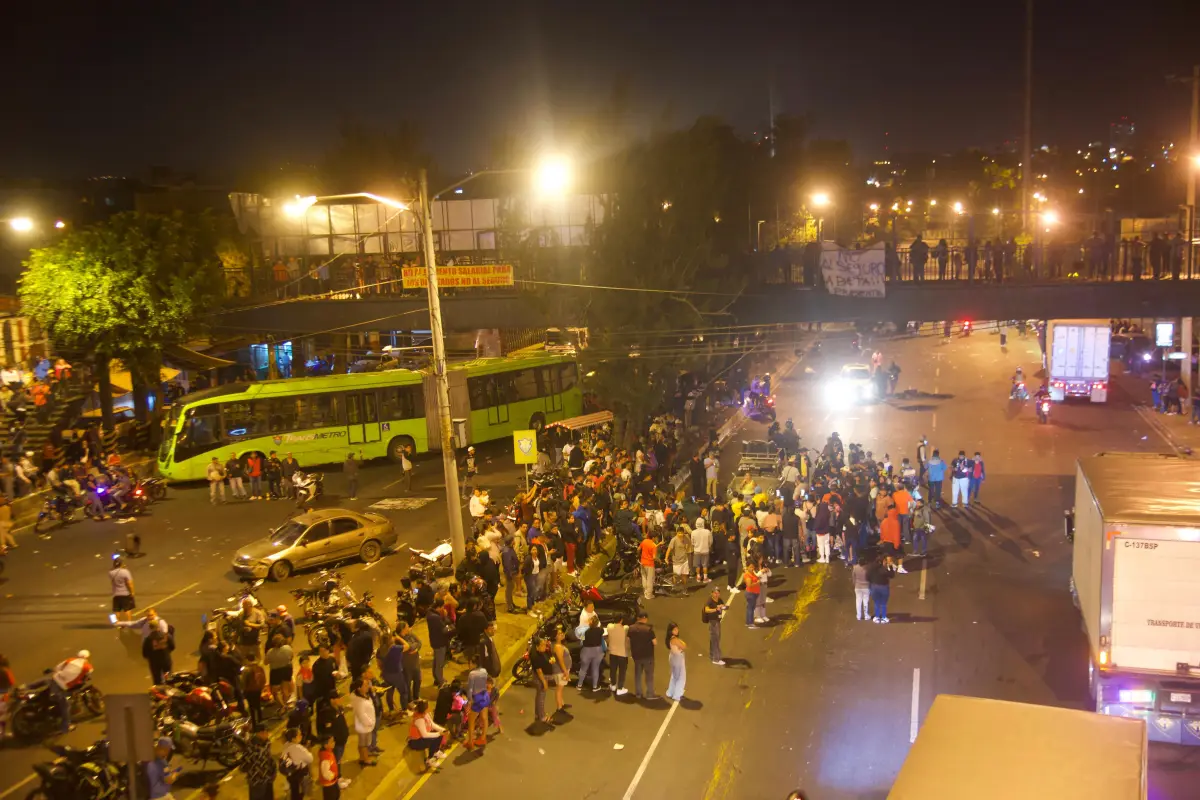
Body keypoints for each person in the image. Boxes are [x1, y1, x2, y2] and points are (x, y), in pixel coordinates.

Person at [51, 650, 92, 733]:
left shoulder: (70, 660)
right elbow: (88, 675)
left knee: (45, 681)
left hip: (54, 680)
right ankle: (65, 727)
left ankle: (27, 687)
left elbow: (57, 668)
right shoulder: (87, 666)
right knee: (66, 706)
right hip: (63, 686)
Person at [407, 699, 447, 770]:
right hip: (415, 742)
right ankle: (430, 759)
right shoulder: (419, 719)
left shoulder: (426, 714)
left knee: (439, 735)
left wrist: (443, 730)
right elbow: (424, 735)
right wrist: (438, 733)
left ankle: (436, 751)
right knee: (434, 739)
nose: (429, 707)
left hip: (421, 738)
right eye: (428, 706)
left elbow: (432, 725)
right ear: (424, 708)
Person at [628, 611, 659, 700]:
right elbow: (655, 642)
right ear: (645, 619)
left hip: (636, 656)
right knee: (649, 675)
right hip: (648, 656)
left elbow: (628, 639)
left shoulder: (631, 628)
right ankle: (650, 694)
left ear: (638, 618)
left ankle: (638, 694)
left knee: (638, 675)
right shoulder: (649, 629)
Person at [242, 723, 277, 800]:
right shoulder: (250, 746)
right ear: (260, 733)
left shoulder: (267, 743)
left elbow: (269, 758)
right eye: (266, 732)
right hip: (257, 781)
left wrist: (273, 771)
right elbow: (244, 765)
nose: (268, 734)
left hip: (268, 779)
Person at [350, 678, 377, 767]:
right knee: (364, 744)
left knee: (363, 743)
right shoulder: (359, 701)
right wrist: (370, 722)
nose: (367, 686)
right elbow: (361, 715)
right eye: (365, 685)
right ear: (359, 688)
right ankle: (366, 759)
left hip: (367, 725)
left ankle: (362, 757)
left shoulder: (364, 695)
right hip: (364, 726)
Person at [280, 727, 314, 800]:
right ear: (293, 739)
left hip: (291, 774)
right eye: (299, 735)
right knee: (303, 793)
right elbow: (310, 759)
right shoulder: (298, 748)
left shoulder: (286, 746)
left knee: (294, 792)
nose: (301, 736)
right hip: (299, 774)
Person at [464, 656, 490, 749]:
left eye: (470, 663)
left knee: (471, 722)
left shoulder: (472, 674)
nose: (469, 665)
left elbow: (470, 689)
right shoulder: (484, 671)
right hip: (485, 696)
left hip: (477, 698)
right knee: (484, 718)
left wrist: (469, 700)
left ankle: (470, 742)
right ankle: (483, 738)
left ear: (474, 663)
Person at [265, 634, 295, 711]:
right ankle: (285, 703)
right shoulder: (288, 648)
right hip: (287, 669)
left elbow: (265, 662)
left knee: (274, 691)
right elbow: (292, 657)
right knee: (285, 688)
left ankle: (282, 705)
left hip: (276, 672)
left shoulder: (270, 652)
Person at [576, 615, 605, 692]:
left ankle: (579, 685)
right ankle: (595, 687)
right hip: (597, 651)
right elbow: (602, 632)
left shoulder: (586, 632)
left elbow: (582, 642)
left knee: (583, 669)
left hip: (586, 651)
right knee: (595, 668)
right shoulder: (600, 630)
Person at [868, 553, 896, 623]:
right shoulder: (884, 570)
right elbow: (892, 575)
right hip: (883, 588)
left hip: (874, 587)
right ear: (883, 561)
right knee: (883, 603)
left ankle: (877, 617)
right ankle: (883, 617)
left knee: (876, 602)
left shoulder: (872, 568)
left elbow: (868, 577)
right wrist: (891, 567)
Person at [427, 599, 448, 687]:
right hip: (439, 642)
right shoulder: (435, 617)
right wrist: (444, 616)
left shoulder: (430, 614)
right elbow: (443, 629)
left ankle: (437, 678)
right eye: (442, 607)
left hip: (435, 641)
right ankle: (441, 681)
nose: (443, 609)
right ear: (438, 607)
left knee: (436, 661)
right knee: (439, 663)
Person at [241, 653, 268, 725]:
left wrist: (243, 690)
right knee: (258, 705)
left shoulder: (246, 669)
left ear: (247, 660)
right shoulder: (259, 667)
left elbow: (244, 682)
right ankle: (260, 719)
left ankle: (254, 723)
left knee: (251, 707)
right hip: (258, 689)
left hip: (249, 690)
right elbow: (264, 679)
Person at [606, 615, 630, 694]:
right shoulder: (625, 628)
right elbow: (627, 626)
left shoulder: (609, 627)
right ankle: (620, 688)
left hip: (612, 652)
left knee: (613, 669)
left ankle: (613, 685)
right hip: (622, 653)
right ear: (621, 621)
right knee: (622, 671)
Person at [550, 627, 572, 714]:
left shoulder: (559, 645)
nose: (562, 634)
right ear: (555, 637)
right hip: (560, 671)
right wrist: (565, 672)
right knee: (559, 689)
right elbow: (560, 660)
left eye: (562, 633)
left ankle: (561, 703)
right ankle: (559, 708)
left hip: (561, 670)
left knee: (560, 688)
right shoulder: (558, 647)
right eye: (559, 634)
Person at [703, 588, 726, 665]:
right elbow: (706, 610)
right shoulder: (710, 600)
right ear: (712, 593)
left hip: (717, 621)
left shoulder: (719, 599)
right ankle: (716, 659)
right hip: (713, 622)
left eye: (718, 593)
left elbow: (723, 605)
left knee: (714, 639)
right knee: (715, 640)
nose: (716, 595)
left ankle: (712, 655)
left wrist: (723, 606)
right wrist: (716, 609)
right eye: (715, 593)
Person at [665, 622, 687, 702]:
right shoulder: (675, 639)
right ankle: (677, 695)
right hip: (678, 658)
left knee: (674, 676)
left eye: (677, 628)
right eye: (675, 629)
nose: (677, 630)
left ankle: (670, 692)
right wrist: (681, 643)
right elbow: (684, 646)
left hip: (672, 657)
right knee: (681, 677)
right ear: (671, 631)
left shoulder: (670, 638)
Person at [109, 556, 136, 622]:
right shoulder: (125, 572)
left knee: (116, 610)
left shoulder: (111, 573)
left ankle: (117, 622)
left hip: (116, 594)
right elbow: (130, 583)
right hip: (125, 593)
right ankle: (129, 621)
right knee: (127, 609)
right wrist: (132, 592)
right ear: (121, 564)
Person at [691, 518, 713, 583]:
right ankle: (705, 578)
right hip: (705, 550)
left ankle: (698, 577)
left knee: (697, 565)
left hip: (697, 551)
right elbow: (711, 541)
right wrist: (708, 546)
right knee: (705, 565)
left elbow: (692, 542)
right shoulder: (707, 532)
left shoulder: (693, 532)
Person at [639, 528, 658, 601]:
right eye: (656, 537)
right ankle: (649, 595)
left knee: (644, 577)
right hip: (650, 564)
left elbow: (638, 549)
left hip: (642, 562)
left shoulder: (644, 541)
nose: (656, 538)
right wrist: (658, 560)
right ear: (653, 537)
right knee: (650, 579)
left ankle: (645, 592)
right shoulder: (653, 545)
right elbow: (654, 557)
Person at [852, 553, 871, 621]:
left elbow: (853, 577)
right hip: (866, 587)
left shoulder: (855, 567)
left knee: (858, 601)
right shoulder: (868, 568)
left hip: (858, 587)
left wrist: (854, 584)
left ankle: (858, 616)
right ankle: (866, 615)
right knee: (865, 601)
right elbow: (870, 578)